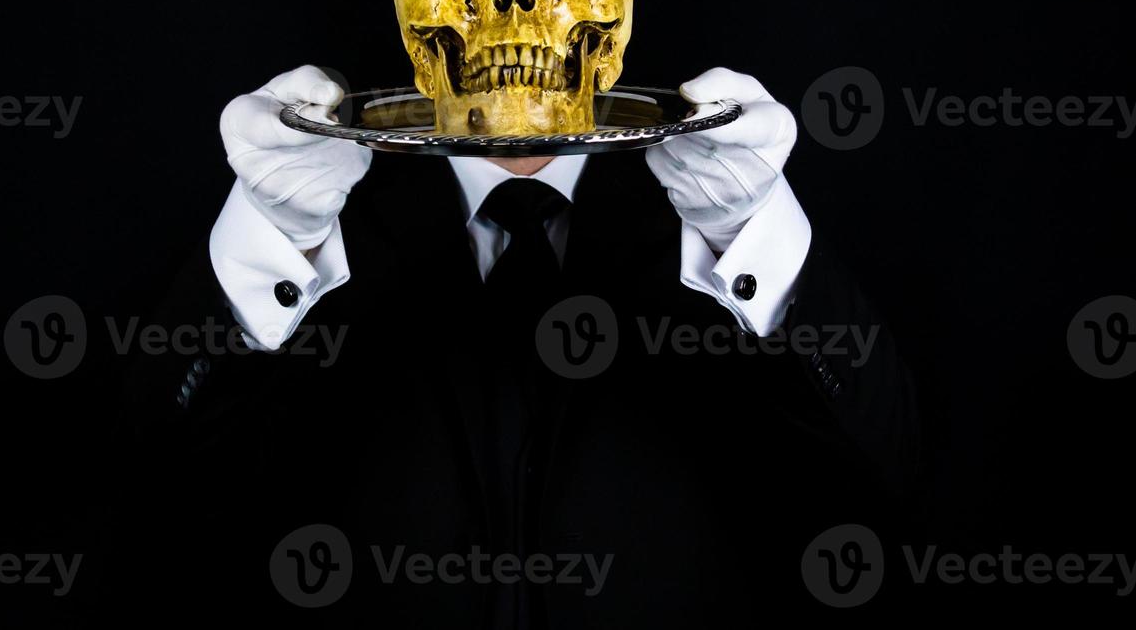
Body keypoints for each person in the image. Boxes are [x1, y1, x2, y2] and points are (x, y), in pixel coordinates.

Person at [121, 62, 920, 628]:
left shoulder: (708, 217)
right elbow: (155, 491)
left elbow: (883, 473)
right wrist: (268, 241)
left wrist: (754, 236)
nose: (514, 7)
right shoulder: (323, 212)